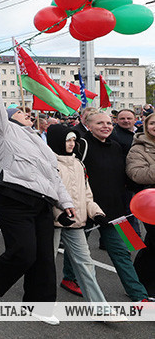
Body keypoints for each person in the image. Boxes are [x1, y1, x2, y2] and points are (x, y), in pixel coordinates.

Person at [0, 60, 75, 325]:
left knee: (45, 258)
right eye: (22, 113)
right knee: (23, 251)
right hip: (13, 198)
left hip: (42, 202)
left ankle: (40, 307)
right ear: (9, 118)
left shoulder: (42, 144)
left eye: (29, 113)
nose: (29, 115)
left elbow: (53, 175)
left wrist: (65, 202)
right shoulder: (3, 132)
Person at [64, 111, 152, 302]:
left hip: (116, 211)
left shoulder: (116, 146)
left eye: (108, 123)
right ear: (88, 125)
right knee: (80, 248)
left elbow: (123, 177)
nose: (106, 126)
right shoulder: (81, 145)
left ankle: (139, 296)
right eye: (100, 123)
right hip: (88, 209)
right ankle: (69, 278)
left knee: (125, 251)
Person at [45, 125, 112, 305]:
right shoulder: (48, 163)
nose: (72, 144)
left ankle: (100, 307)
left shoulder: (78, 163)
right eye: (68, 140)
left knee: (86, 264)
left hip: (76, 223)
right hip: (53, 223)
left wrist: (97, 213)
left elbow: (86, 194)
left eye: (74, 140)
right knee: (46, 264)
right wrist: (58, 214)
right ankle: (41, 300)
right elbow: (46, 195)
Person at [126, 112, 155, 296]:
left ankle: (137, 277)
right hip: (149, 203)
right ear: (146, 126)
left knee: (152, 243)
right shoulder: (138, 149)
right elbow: (137, 175)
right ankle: (145, 284)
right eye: (153, 123)